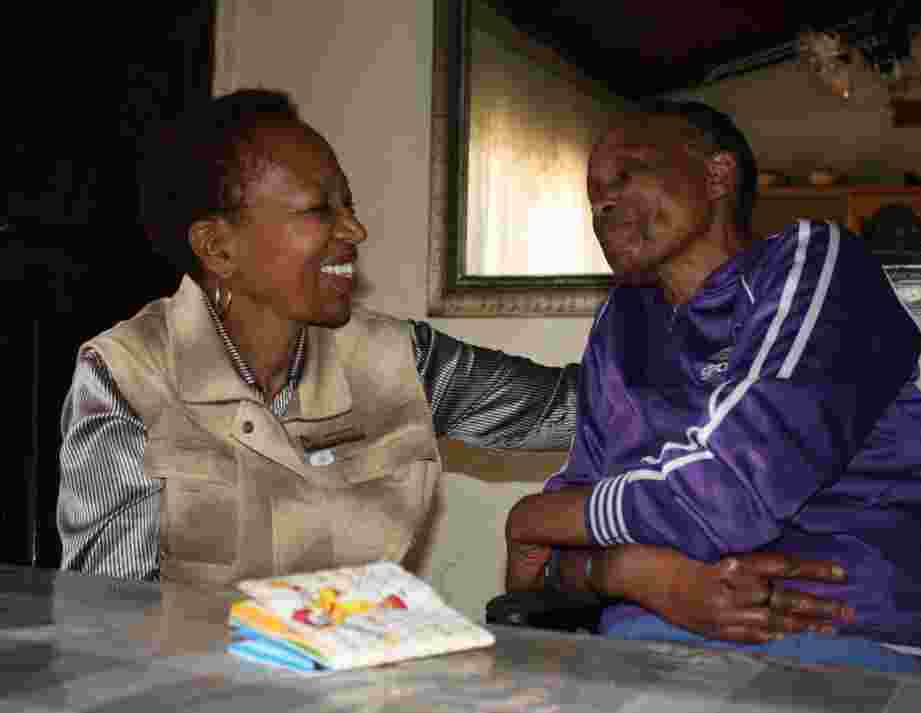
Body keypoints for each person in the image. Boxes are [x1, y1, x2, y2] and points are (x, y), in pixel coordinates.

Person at [58, 89, 848, 640]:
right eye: (319, 210)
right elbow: (108, 625)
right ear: (219, 247)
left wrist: (757, 363)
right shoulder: (127, 376)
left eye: (350, 201)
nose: (355, 230)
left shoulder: (395, 356)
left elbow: (584, 408)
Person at [504, 101, 921, 673]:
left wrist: (542, 521)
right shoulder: (622, 323)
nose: (602, 201)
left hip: (849, 640)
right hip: (644, 644)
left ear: (717, 175)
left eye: (626, 175)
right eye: (593, 190)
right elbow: (548, 557)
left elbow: (733, 489)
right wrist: (632, 574)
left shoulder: (813, 263)